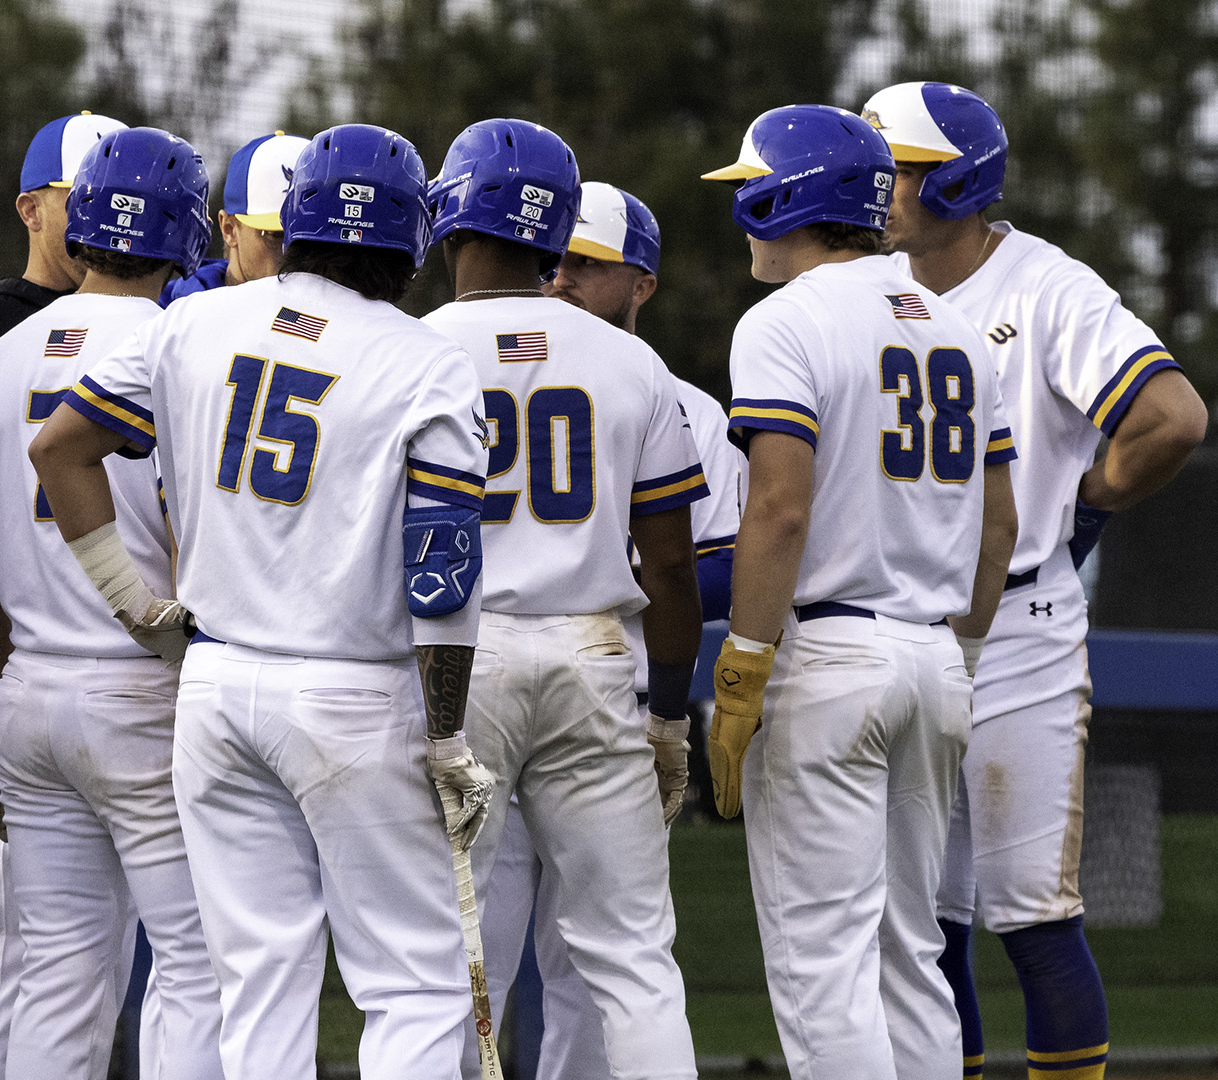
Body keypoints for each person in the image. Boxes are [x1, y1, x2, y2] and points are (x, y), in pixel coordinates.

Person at [29, 122, 493, 1079]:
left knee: (259, 986)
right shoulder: (423, 358)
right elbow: (440, 572)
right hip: (351, 695)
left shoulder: (195, 321)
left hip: (214, 686)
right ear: (409, 234)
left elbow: (57, 449)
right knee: (412, 985)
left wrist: (133, 606)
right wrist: (446, 732)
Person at [864, 80, 1209, 1080]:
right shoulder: (873, 286)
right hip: (907, 628)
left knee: (1032, 921)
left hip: (1016, 627)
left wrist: (1085, 504)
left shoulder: (1047, 286)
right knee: (925, 925)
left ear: (960, 183)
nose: (882, 187)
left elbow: (1174, 417)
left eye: (904, 169)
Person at [701, 104, 1018, 1080]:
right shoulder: (959, 329)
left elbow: (779, 514)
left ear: (786, 195)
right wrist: (960, 654)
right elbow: (999, 523)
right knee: (908, 956)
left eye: (751, 187)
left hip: (829, 657)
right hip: (933, 654)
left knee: (822, 964)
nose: (743, 207)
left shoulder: (784, 321)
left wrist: (743, 673)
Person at [0, 126, 224, 1079]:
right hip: (148, 686)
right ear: (185, 232)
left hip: (25, 693)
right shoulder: (185, 346)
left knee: (56, 974)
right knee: (200, 964)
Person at [420, 120, 703, 1080]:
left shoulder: (409, 349)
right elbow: (669, 569)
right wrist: (669, 713)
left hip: (457, 656)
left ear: (448, 212)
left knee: (448, 956)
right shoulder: (636, 364)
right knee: (632, 957)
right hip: (595, 656)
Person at [470, 179, 744, 1080]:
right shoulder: (653, 388)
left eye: (588, 267)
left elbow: (724, 571)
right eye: (556, 262)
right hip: (600, 685)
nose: (564, 281)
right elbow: (678, 568)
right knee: (563, 955)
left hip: (533, 681)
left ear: (644, 284)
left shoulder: (690, 407)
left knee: (551, 967)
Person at [0, 109, 125, 1080]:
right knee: (27, 930)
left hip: (109, 666)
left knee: (104, 942)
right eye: (78, 201)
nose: (94, 221)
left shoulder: (154, 320)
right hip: (3, 669)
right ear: (30, 206)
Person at [160, 131, 311, 304]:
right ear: (229, 230)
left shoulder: (335, 318)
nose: (293, 253)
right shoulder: (166, 318)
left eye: (306, 238)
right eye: (275, 235)